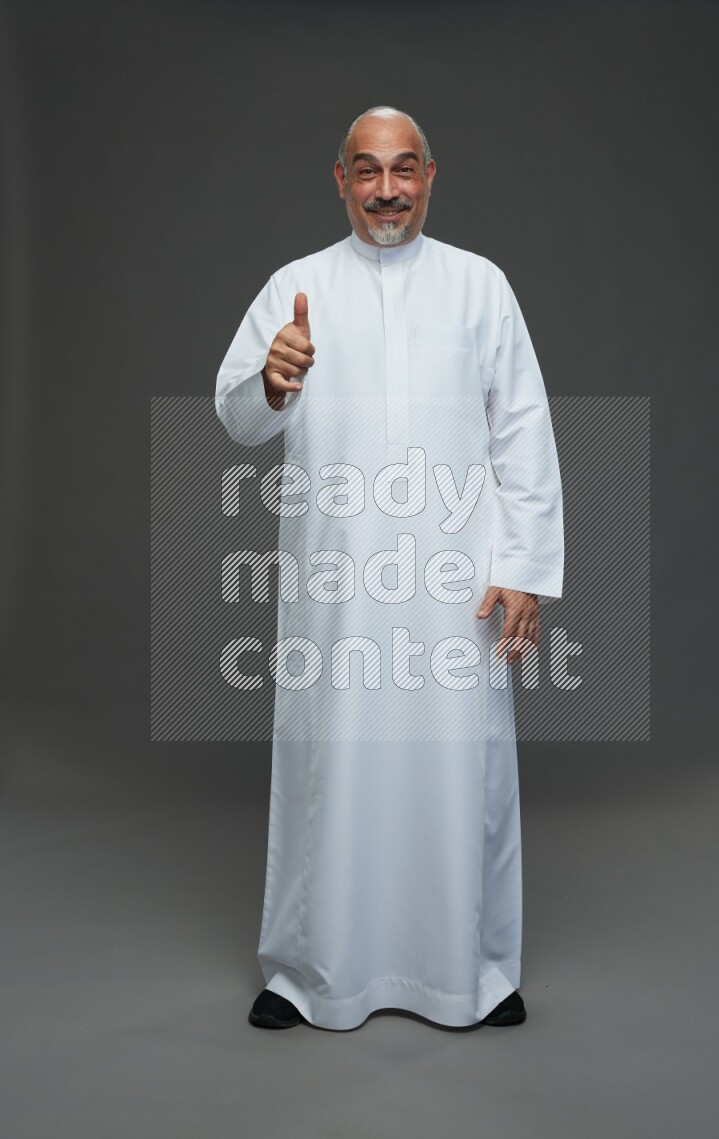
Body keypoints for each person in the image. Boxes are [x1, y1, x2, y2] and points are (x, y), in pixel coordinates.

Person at [215, 105, 564, 1031]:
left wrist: (525, 568)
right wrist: (271, 379)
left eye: (402, 169)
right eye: (366, 171)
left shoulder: (480, 286)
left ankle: (475, 972)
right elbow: (238, 417)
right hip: (339, 586)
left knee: (464, 772)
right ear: (340, 180)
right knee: (328, 763)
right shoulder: (296, 288)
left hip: (459, 585)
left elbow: (524, 431)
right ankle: (305, 972)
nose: (386, 189)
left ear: (431, 175)